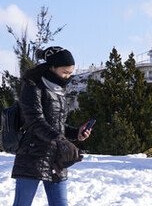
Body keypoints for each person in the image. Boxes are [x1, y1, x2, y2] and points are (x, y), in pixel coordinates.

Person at [12, 46, 92, 206]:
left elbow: (57, 125)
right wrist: (61, 141)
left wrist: (76, 133)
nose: (67, 76)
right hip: (32, 156)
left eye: (70, 73)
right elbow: (35, 121)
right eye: (65, 72)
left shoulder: (60, 90)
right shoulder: (32, 87)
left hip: (57, 159)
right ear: (52, 67)